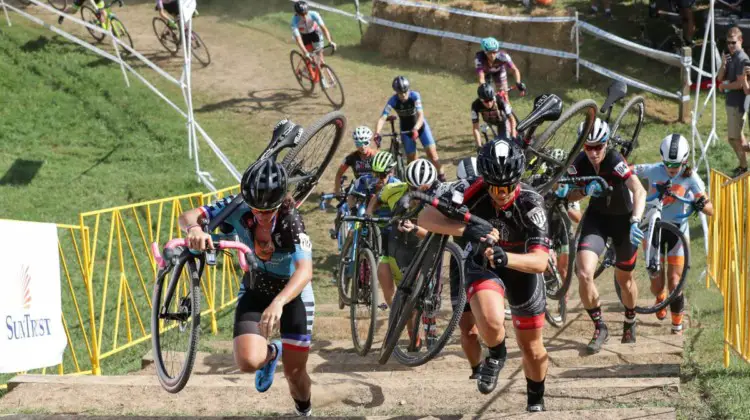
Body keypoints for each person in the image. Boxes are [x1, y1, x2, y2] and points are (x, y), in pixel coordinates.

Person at [177, 124, 315, 417]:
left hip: (292, 295)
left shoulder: (292, 220)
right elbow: (189, 215)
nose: (261, 216)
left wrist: (279, 303)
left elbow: (304, 271)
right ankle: (270, 355)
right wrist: (194, 230)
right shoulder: (238, 205)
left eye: (269, 211)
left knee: (294, 376)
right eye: (255, 209)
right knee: (248, 362)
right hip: (256, 287)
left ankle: (304, 411)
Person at [418, 139, 551, 412]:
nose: (501, 194)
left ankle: (535, 400)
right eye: (495, 187)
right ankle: (497, 354)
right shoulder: (469, 189)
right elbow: (425, 218)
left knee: (533, 350)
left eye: (507, 187)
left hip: (522, 269)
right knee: (490, 323)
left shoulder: (531, 203)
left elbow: (540, 262)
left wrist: (508, 257)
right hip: (484, 264)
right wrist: (465, 231)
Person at [555, 118, 647, 354]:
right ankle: (600, 327)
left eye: (599, 146)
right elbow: (569, 195)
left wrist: (636, 219)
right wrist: (581, 190)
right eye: (589, 147)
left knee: (624, 279)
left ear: (606, 143)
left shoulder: (615, 159)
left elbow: (639, 190)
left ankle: (630, 318)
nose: (594, 152)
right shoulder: (580, 162)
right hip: (597, 219)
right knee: (584, 273)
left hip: (624, 221)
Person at [633, 134, 714, 334]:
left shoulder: (690, 177)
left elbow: (711, 209)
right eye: (668, 163)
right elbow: (627, 171)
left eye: (676, 164)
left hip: (678, 231)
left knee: (675, 281)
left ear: (685, 161)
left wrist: (701, 204)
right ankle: (660, 297)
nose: (671, 167)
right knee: (656, 281)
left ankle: (677, 324)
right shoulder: (653, 170)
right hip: (654, 228)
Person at [374, 76, 446, 182]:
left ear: (408, 89)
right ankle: (417, 182)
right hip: (406, 130)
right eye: (400, 93)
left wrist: (416, 128)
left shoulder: (415, 96)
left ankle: (442, 176)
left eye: (405, 92)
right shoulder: (393, 101)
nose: (403, 95)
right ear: (396, 92)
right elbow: (383, 117)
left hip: (421, 127)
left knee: (433, 157)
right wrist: (377, 133)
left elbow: (421, 115)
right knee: (412, 161)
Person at [330, 126, 378, 238]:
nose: (362, 147)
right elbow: (339, 175)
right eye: (358, 144)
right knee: (350, 194)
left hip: (374, 185)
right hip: (359, 186)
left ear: (369, 141)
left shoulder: (376, 155)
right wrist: (337, 191)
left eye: (365, 142)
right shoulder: (351, 158)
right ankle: (353, 213)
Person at [718, 26, 750, 177]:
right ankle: (744, 168)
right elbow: (719, 78)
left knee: (733, 139)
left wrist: (724, 86)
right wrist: (723, 64)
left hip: (738, 104)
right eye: (728, 43)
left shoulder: (742, 59)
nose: (730, 46)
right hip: (731, 102)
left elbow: (739, 83)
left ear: (741, 41)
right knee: (738, 137)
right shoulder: (730, 56)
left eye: (733, 42)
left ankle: (744, 167)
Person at [291, 1, 336, 74]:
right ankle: (306, 68)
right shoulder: (294, 21)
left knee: (320, 56)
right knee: (311, 56)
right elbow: (299, 40)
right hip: (304, 36)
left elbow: (324, 29)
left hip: (315, 33)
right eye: (301, 15)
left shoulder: (314, 14)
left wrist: (330, 41)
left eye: (305, 13)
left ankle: (321, 74)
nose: (304, 16)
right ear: (297, 14)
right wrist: (305, 52)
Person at [471, 83, 517, 149]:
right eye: (486, 101)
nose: (489, 103)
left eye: (490, 100)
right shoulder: (475, 105)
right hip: (490, 123)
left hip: (502, 122)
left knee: (504, 145)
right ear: (481, 100)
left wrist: (513, 137)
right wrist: (479, 146)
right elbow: (475, 128)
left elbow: (512, 120)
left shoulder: (500, 100)